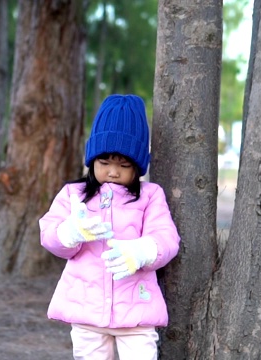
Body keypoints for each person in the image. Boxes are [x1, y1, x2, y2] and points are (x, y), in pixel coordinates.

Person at [39, 94, 180, 360]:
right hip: (86, 310)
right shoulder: (74, 194)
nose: (113, 172)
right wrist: (69, 233)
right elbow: (49, 232)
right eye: (105, 163)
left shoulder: (150, 195)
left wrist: (141, 252)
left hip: (136, 312)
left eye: (123, 165)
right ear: (92, 159)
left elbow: (166, 237)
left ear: (137, 167)